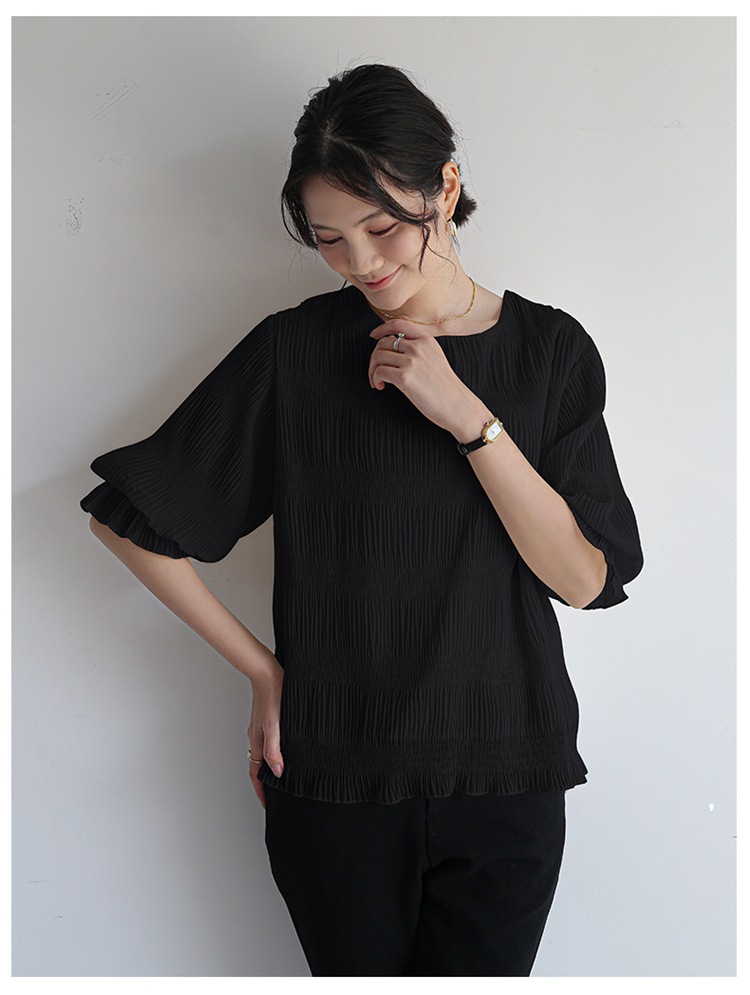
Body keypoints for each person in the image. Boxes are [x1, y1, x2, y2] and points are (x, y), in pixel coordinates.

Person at [80, 63, 643, 977]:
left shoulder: (551, 353)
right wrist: (264, 672)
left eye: (382, 228)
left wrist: (467, 415)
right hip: (336, 779)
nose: (362, 263)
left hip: (508, 774)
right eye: (330, 240)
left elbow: (584, 579)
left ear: (445, 188)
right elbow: (130, 523)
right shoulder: (297, 352)